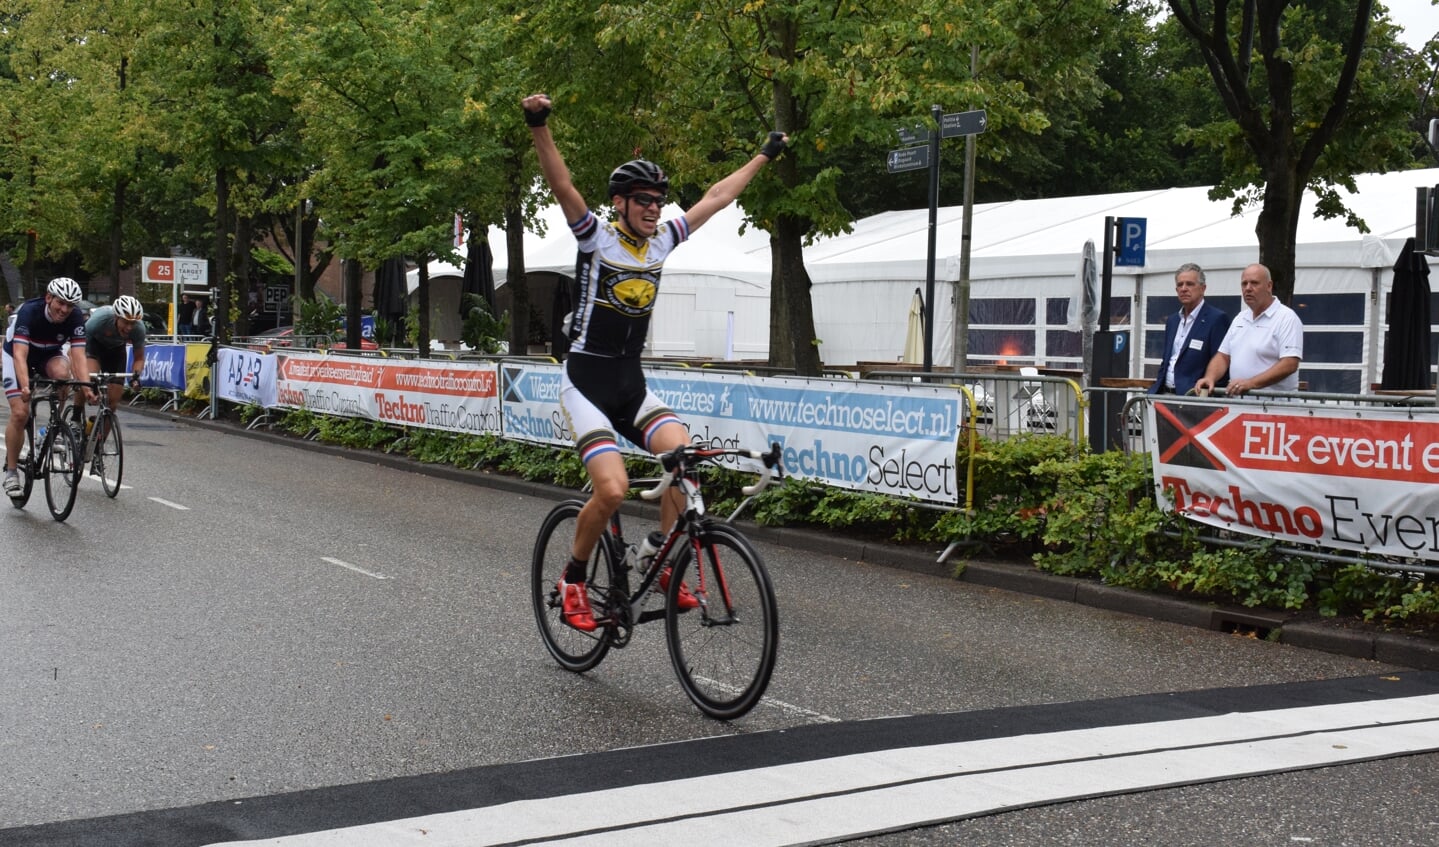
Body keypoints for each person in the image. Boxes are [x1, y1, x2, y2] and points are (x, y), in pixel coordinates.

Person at [522, 91, 787, 631]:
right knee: (614, 489)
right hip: (586, 384)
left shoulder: (664, 240)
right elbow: (562, 185)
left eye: (658, 200)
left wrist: (763, 155)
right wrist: (537, 126)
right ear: (619, 203)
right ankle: (572, 577)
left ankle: (657, 559)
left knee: (684, 463)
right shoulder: (596, 238)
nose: (653, 208)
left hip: (630, 386)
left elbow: (715, 196)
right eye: (642, 199)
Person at [3, 277, 93, 496]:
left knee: (64, 375)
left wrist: (87, 387)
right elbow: (19, 354)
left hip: (48, 355)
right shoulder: (29, 312)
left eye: (70, 305)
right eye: (60, 303)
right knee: (20, 413)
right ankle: (12, 472)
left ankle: (53, 427)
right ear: (48, 298)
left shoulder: (75, 318)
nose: (64, 310)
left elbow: (79, 356)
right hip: (17, 355)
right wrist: (25, 386)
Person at [1195, 263, 1303, 397]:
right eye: (1244, 284)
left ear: (1269, 286)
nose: (1248, 288)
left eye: (1254, 283)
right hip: (1240, 405)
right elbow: (1223, 356)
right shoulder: (1240, 318)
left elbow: (1290, 364)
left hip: (1274, 408)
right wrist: (1210, 378)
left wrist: (1251, 383)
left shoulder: (1286, 318)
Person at [1147, 263, 1231, 395]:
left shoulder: (1216, 319)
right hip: (1164, 394)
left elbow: (1222, 361)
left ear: (1203, 288)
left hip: (1194, 397)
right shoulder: (1172, 320)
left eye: (1190, 284)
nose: (1184, 289)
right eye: (1180, 285)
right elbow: (1167, 360)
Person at [79, 295, 147, 427]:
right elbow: (78, 348)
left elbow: (139, 358)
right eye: (126, 322)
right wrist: (83, 377)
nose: (129, 327)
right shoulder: (98, 321)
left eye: (132, 323)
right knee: (87, 379)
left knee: (113, 403)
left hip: (116, 351)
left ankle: (99, 445)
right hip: (94, 346)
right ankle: (76, 417)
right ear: (116, 317)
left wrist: (135, 377)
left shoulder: (139, 329)